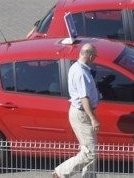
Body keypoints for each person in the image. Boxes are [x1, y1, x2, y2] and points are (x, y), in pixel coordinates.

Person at [53, 43, 100, 178]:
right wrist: (93, 118)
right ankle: (60, 172)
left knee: (89, 149)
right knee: (90, 152)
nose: (95, 58)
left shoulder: (77, 67)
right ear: (90, 56)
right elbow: (84, 97)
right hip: (83, 114)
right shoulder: (81, 73)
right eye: (95, 56)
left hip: (80, 112)